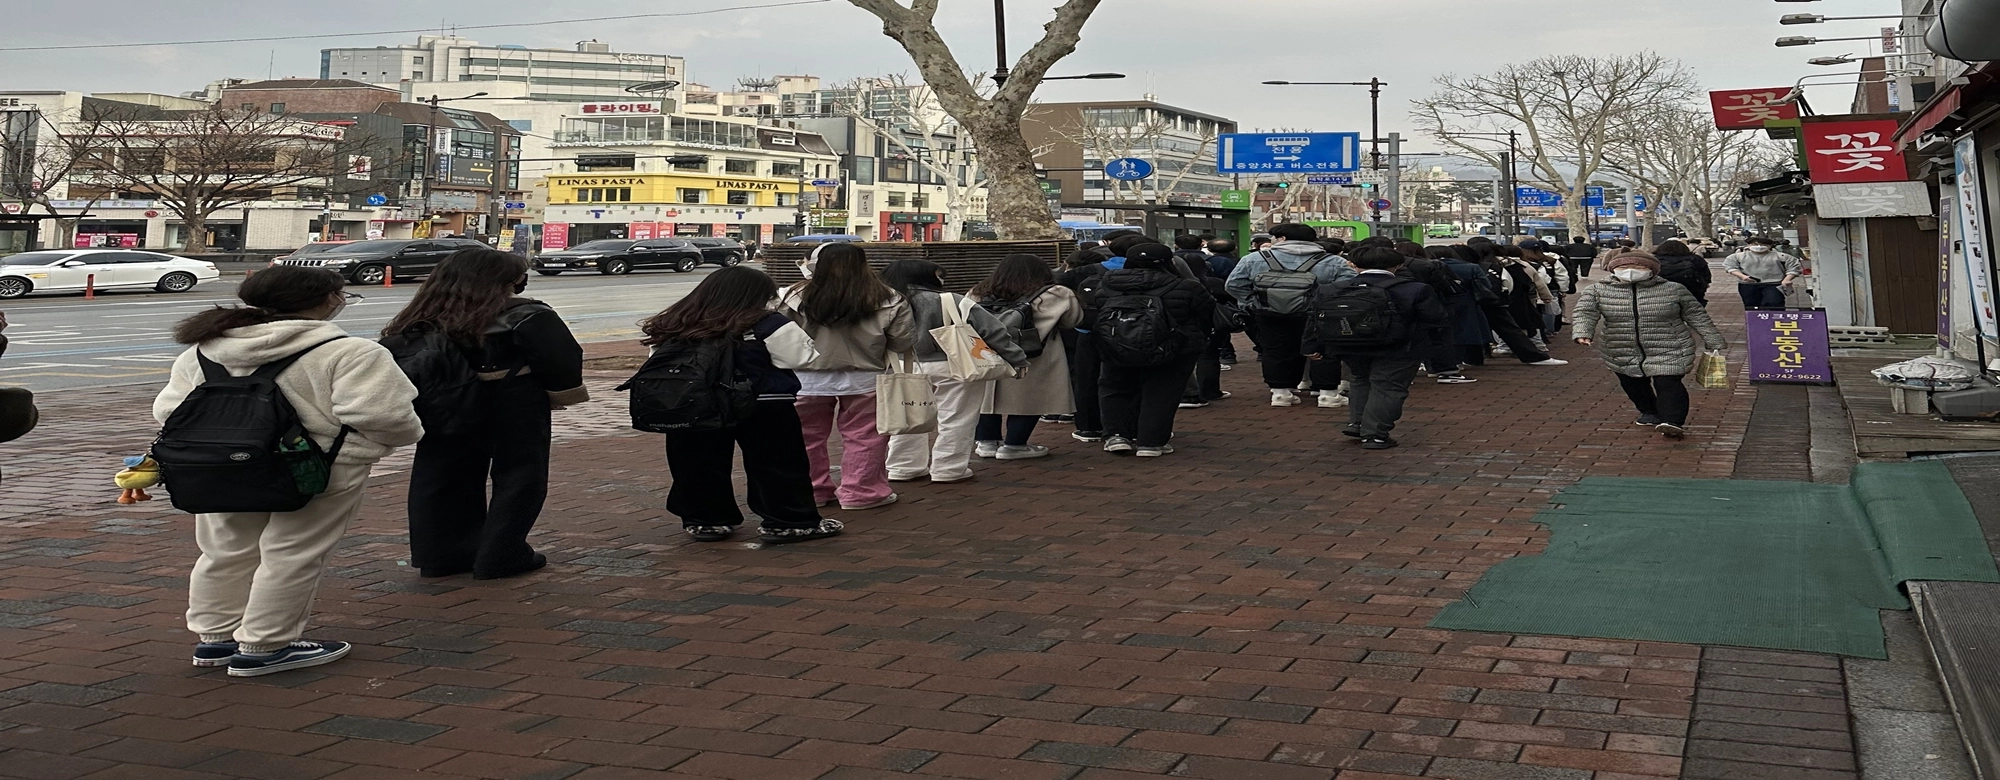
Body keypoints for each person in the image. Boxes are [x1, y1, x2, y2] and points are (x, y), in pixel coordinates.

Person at [156, 265, 422, 677]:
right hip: (319, 468)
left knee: (224, 551)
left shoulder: (205, 349)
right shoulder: (350, 352)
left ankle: (215, 639)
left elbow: (169, 410)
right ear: (329, 299)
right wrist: (373, 446)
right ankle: (265, 645)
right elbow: (383, 415)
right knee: (292, 554)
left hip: (217, 468)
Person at [384, 250, 586, 580]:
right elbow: (562, 360)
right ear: (506, 282)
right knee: (520, 475)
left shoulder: (423, 316)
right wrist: (558, 393)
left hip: (443, 402)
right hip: (514, 399)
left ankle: (442, 556)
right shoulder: (526, 315)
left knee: (439, 475)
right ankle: (501, 553)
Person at [642, 266, 844, 543]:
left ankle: (705, 520)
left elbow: (657, 359)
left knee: (696, 462)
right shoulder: (767, 322)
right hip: (763, 402)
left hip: (692, 402)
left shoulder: (677, 321)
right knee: (777, 462)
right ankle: (789, 521)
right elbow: (799, 358)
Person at [779, 243, 915, 511]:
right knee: (865, 437)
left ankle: (813, 490)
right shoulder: (888, 297)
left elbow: (776, 336)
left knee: (805, 438)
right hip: (865, 378)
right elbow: (901, 343)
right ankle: (861, 493)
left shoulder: (791, 297)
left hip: (804, 379)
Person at [882, 259, 1028, 482]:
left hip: (903, 365)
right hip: (954, 364)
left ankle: (904, 467)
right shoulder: (952, 300)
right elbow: (993, 331)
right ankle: (949, 469)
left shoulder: (883, 302)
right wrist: (1016, 359)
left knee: (907, 416)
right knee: (957, 417)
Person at [1571, 252, 1728, 439]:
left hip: (1670, 345)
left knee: (1668, 383)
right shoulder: (1597, 290)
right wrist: (1582, 332)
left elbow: (1696, 315)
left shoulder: (1674, 289)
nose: (1630, 272)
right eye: (1623, 268)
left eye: (1638, 268)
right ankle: (1650, 411)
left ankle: (1672, 421)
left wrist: (1713, 339)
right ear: (1613, 270)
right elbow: (1585, 312)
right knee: (1633, 383)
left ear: (1651, 270)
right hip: (1620, 346)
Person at [1308, 246, 1448, 450]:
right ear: (1399, 265)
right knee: (1388, 386)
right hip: (1399, 347)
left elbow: (1315, 320)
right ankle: (1375, 434)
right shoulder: (1415, 289)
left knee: (1360, 380)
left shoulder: (1333, 289)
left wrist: (1313, 346)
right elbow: (1435, 319)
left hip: (1348, 345)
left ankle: (1357, 423)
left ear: (1353, 264)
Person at [1092, 243, 1213, 456]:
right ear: (1168, 261)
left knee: (1115, 388)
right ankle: (1151, 442)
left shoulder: (1106, 284)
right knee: (1161, 392)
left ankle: (1116, 436)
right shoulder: (1186, 286)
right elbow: (1205, 312)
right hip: (1173, 347)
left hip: (1117, 344)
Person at [1224, 223, 1356, 408]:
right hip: (1316, 313)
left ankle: (1280, 394)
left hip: (1269, 312)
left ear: (1282, 238)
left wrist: (1253, 302)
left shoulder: (1255, 258)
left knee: (1275, 350)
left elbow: (1233, 284)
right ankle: (1327, 394)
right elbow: (1348, 285)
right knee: (1323, 350)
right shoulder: (1333, 261)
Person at [971, 254, 1083, 459]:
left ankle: (986, 441)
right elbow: (1071, 320)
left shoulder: (979, 292)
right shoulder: (1056, 293)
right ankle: (1015, 444)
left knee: (986, 395)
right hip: (1034, 352)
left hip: (987, 351)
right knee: (1030, 397)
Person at [1458, 243, 1566, 367]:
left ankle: (1472, 358)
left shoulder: (1454, 267)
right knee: (1510, 329)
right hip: (1496, 301)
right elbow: (1509, 282)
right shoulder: (1498, 265)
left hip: (1467, 304)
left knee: (1473, 329)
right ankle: (1534, 355)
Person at [1398, 242, 1475, 384]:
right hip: (1434, 304)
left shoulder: (1396, 266)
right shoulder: (1430, 264)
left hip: (1404, 306)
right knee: (1440, 337)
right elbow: (1446, 286)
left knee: (1412, 338)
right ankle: (1444, 370)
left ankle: (1418, 369)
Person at [1722, 237, 1800, 310]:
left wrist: (1787, 279)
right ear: (1748, 245)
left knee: (1774, 304)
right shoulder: (1737, 257)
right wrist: (1742, 276)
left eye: (1764, 245)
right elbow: (1730, 267)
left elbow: (1794, 267)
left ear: (1770, 246)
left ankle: (1774, 322)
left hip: (1773, 284)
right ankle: (1755, 323)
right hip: (1748, 285)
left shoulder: (1781, 256)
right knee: (1751, 306)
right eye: (1755, 244)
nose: (1759, 246)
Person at [1206, 239, 1243, 369]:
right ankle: (1261, 349)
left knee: (1220, 325)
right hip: (1235, 297)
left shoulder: (1211, 262)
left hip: (1219, 298)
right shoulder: (1240, 261)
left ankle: (1227, 353)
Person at [1653, 239, 1713, 306]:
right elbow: (1706, 276)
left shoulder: (1655, 260)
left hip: (1661, 293)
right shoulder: (1695, 259)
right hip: (1691, 291)